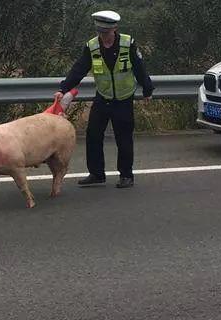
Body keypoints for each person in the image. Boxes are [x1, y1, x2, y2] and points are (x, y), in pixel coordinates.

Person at [59, 10, 154, 188]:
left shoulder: (128, 43)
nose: (103, 37)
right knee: (93, 134)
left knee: (123, 138)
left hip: (124, 98)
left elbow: (139, 68)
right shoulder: (92, 46)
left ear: (114, 29)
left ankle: (126, 175)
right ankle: (96, 173)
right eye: (100, 33)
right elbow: (79, 69)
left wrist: (147, 89)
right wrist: (63, 88)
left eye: (106, 33)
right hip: (103, 97)